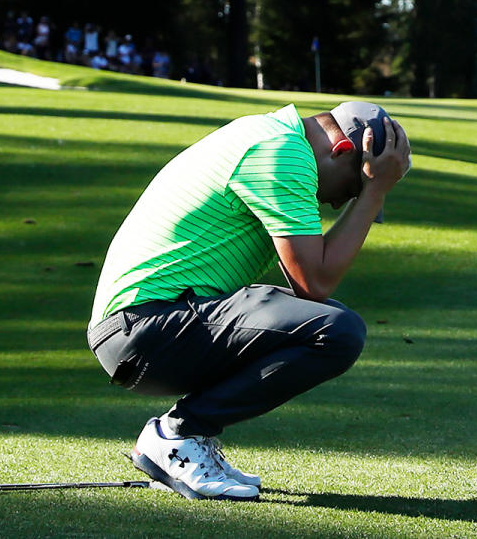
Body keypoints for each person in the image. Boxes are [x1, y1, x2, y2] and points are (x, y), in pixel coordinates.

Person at [87, 102, 412, 501]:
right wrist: (375, 191)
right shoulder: (281, 152)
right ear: (342, 151)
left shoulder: (270, 134)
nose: (333, 205)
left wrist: (370, 191)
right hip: (142, 330)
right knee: (337, 331)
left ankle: (185, 435)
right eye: (349, 190)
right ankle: (178, 435)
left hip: (146, 326)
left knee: (330, 322)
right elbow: (315, 282)